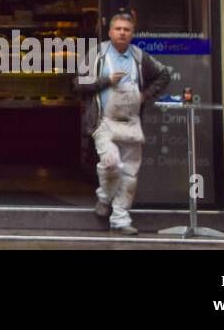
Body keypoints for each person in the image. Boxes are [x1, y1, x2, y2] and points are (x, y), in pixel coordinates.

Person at [74, 12, 173, 235]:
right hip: (103, 122)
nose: (122, 33)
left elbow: (164, 75)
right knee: (110, 163)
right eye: (118, 29)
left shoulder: (139, 56)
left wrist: (145, 95)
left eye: (126, 30)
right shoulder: (97, 54)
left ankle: (120, 219)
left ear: (132, 34)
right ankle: (104, 197)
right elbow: (79, 83)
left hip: (131, 123)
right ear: (109, 32)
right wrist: (106, 81)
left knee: (129, 174)